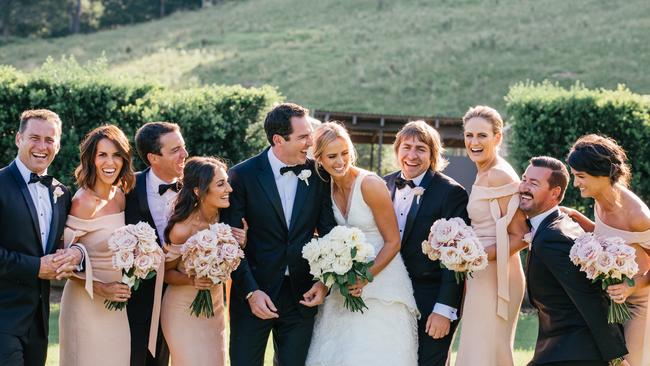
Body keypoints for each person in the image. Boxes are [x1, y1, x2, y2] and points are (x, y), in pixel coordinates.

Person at [223, 102, 337, 366]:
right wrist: (251, 292)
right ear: (278, 139)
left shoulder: (319, 175)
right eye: (303, 137)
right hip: (254, 292)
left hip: (301, 296)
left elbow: (330, 233)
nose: (311, 142)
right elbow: (230, 243)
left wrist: (323, 283)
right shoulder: (241, 176)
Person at [306, 122, 419, 365]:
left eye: (345, 153)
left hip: (381, 284)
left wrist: (366, 276)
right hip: (343, 287)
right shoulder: (325, 189)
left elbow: (393, 241)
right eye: (332, 156)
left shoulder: (370, 184)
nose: (340, 161)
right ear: (319, 159)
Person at [520, 156, 629, 366]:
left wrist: (616, 358)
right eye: (524, 179)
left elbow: (589, 297)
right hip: (559, 348)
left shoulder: (552, 237)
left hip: (573, 352)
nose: (524, 187)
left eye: (533, 183)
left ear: (555, 193)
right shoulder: (561, 222)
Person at [384, 120, 469, 365]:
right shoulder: (381, 184)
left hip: (430, 301)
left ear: (432, 154)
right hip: (388, 298)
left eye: (421, 148)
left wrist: (444, 309)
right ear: (397, 150)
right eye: (406, 147)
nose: (412, 155)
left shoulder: (451, 193)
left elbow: (457, 257)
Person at [0, 109, 81, 366]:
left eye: (50, 140)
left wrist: (70, 256)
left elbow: (63, 243)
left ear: (58, 144)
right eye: (34, 137)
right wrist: (37, 267)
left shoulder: (62, 193)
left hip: (40, 322)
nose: (42, 146)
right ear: (18, 139)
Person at [563, 134, 650, 365]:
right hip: (609, 301)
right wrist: (578, 219)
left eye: (580, 177)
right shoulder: (598, 199)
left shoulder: (638, 216)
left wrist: (632, 287)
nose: (575, 183)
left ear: (602, 175)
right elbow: (614, 239)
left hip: (640, 304)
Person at [455, 106, 529, 366]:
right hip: (481, 272)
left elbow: (522, 235)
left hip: (498, 276)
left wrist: (476, 256)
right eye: (469, 135)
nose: (474, 142)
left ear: (497, 138)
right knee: (478, 349)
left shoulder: (499, 174)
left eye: (482, 136)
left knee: (484, 352)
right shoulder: (484, 170)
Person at [59, 124, 137, 365]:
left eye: (116, 155)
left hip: (116, 306)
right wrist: (100, 287)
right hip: (85, 303)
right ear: (91, 159)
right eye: (102, 155)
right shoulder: (82, 201)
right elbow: (63, 264)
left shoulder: (121, 196)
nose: (110, 162)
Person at [162, 157, 246, 365]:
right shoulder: (182, 229)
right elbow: (165, 273)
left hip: (215, 307)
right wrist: (192, 281)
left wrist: (241, 242)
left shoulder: (227, 219)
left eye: (226, 182)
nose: (229, 189)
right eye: (220, 184)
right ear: (199, 191)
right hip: (182, 309)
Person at [125, 121, 188, 366]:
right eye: (175, 150)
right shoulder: (128, 187)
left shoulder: (196, 188)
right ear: (153, 157)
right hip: (140, 298)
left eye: (183, 147)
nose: (184, 154)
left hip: (183, 290)